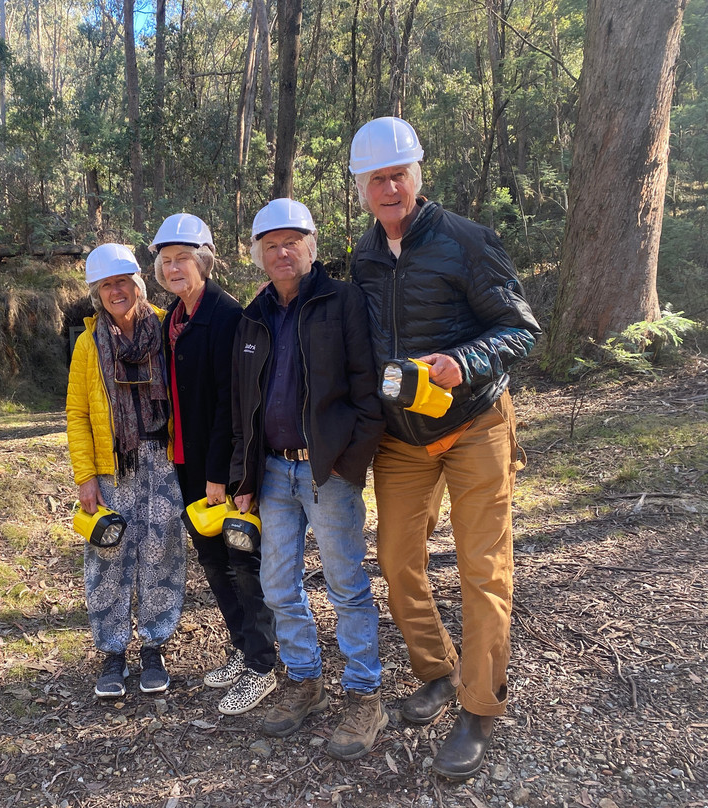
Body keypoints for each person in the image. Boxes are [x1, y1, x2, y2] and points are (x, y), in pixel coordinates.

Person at [348, 116, 541, 780]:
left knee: (483, 567)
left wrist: (466, 359)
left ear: (417, 175)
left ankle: (479, 706)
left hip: (478, 423)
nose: (389, 188)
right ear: (361, 188)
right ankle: (437, 672)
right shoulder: (364, 256)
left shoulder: (466, 241)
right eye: (376, 179)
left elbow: (519, 328)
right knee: (398, 558)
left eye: (398, 174)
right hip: (404, 437)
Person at [231, 198, 387, 759]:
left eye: (291, 241)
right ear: (257, 255)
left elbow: (369, 391)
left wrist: (349, 464)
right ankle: (304, 681)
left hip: (328, 471)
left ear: (311, 246)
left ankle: (365, 692)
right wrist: (244, 476)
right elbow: (242, 407)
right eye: (270, 245)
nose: (281, 252)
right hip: (272, 472)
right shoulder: (253, 316)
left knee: (346, 584)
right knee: (278, 586)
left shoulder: (342, 300)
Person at [151, 213, 278, 716]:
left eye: (183, 258)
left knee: (242, 562)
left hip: (219, 468)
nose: (174, 267)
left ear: (204, 259)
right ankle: (243, 649)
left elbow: (234, 399)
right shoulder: (173, 319)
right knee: (212, 561)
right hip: (185, 463)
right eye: (166, 260)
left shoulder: (227, 315)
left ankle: (264, 665)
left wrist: (222, 471)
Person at [66, 243, 187, 699]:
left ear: (138, 282)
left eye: (123, 281)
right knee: (107, 555)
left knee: (163, 550)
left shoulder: (166, 328)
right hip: (111, 464)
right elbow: (77, 413)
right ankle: (113, 652)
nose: (116, 291)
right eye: (106, 285)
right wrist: (85, 476)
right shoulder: (87, 345)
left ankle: (154, 645)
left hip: (162, 456)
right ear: (97, 293)